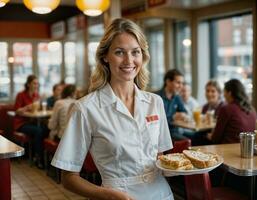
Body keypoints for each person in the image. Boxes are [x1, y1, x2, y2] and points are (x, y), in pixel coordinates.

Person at [51, 18, 174, 200]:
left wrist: (184, 168)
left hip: (162, 194)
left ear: (143, 56)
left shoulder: (155, 102)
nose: (129, 60)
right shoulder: (85, 108)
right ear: (105, 57)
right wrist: (105, 194)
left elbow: (160, 159)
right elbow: (68, 178)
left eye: (135, 52)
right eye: (119, 52)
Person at [14, 75, 48, 168]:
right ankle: (38, 158)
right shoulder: (21, 95)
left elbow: (37, 110)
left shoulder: (36, 95)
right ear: (28, 84)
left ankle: (39, 156)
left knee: (46, 129)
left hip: (32, 122)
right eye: (34, 83)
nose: (36, 85)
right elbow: (17, 111)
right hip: (21, 123)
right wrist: (28, 107)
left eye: (37, 83)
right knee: (38, 131)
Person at [207, 79, 256, 143]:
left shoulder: (227, 109)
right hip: (246, 148)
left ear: (229, 93)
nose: (224, 95)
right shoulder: (252, 110)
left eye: (224, 92)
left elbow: (215, 138)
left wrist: (210, 136)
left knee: (197, 137)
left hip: (226, 148)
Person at [155, 69, 188, 140]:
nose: (181, 86)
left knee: (199, 136)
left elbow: (184, 112)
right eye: (178, 83)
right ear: (168, 82)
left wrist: (182, 115)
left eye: (182, 83)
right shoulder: (156, 97)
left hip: (176, 131)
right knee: (186, 141)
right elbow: (157, 121)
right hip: (162, 134)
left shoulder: (177, 97)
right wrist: (173, 117)